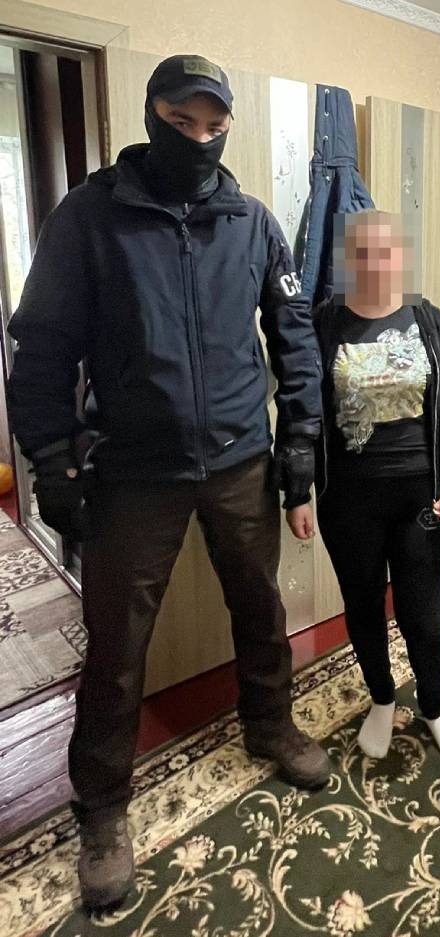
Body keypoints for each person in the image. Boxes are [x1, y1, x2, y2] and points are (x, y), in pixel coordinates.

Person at [6, 54, 330, 912]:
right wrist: (51, 462)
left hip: (240, 459)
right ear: (153, 116)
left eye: (215, 125)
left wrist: (301, 446)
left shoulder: (253, 222)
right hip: (133, 473)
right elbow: (41, 350)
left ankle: (270, 725)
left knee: (259, 607)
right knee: (115, 646)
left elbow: (294, 337)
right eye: (182, 123)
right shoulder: (89, 218)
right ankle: (102, 806)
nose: (200, 139)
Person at [287, 210, 440, 767]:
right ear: (347, 260)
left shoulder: (428, 320)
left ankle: (434, 706)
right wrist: (297, 490)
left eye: (386, 252)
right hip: (348, 500)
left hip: (422, 498)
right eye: (362, 254)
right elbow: (300, 411)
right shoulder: (323, 325)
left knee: (423, 612)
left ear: (401, 256)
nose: (375, 264)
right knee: (363, 606)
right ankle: (380, 698)